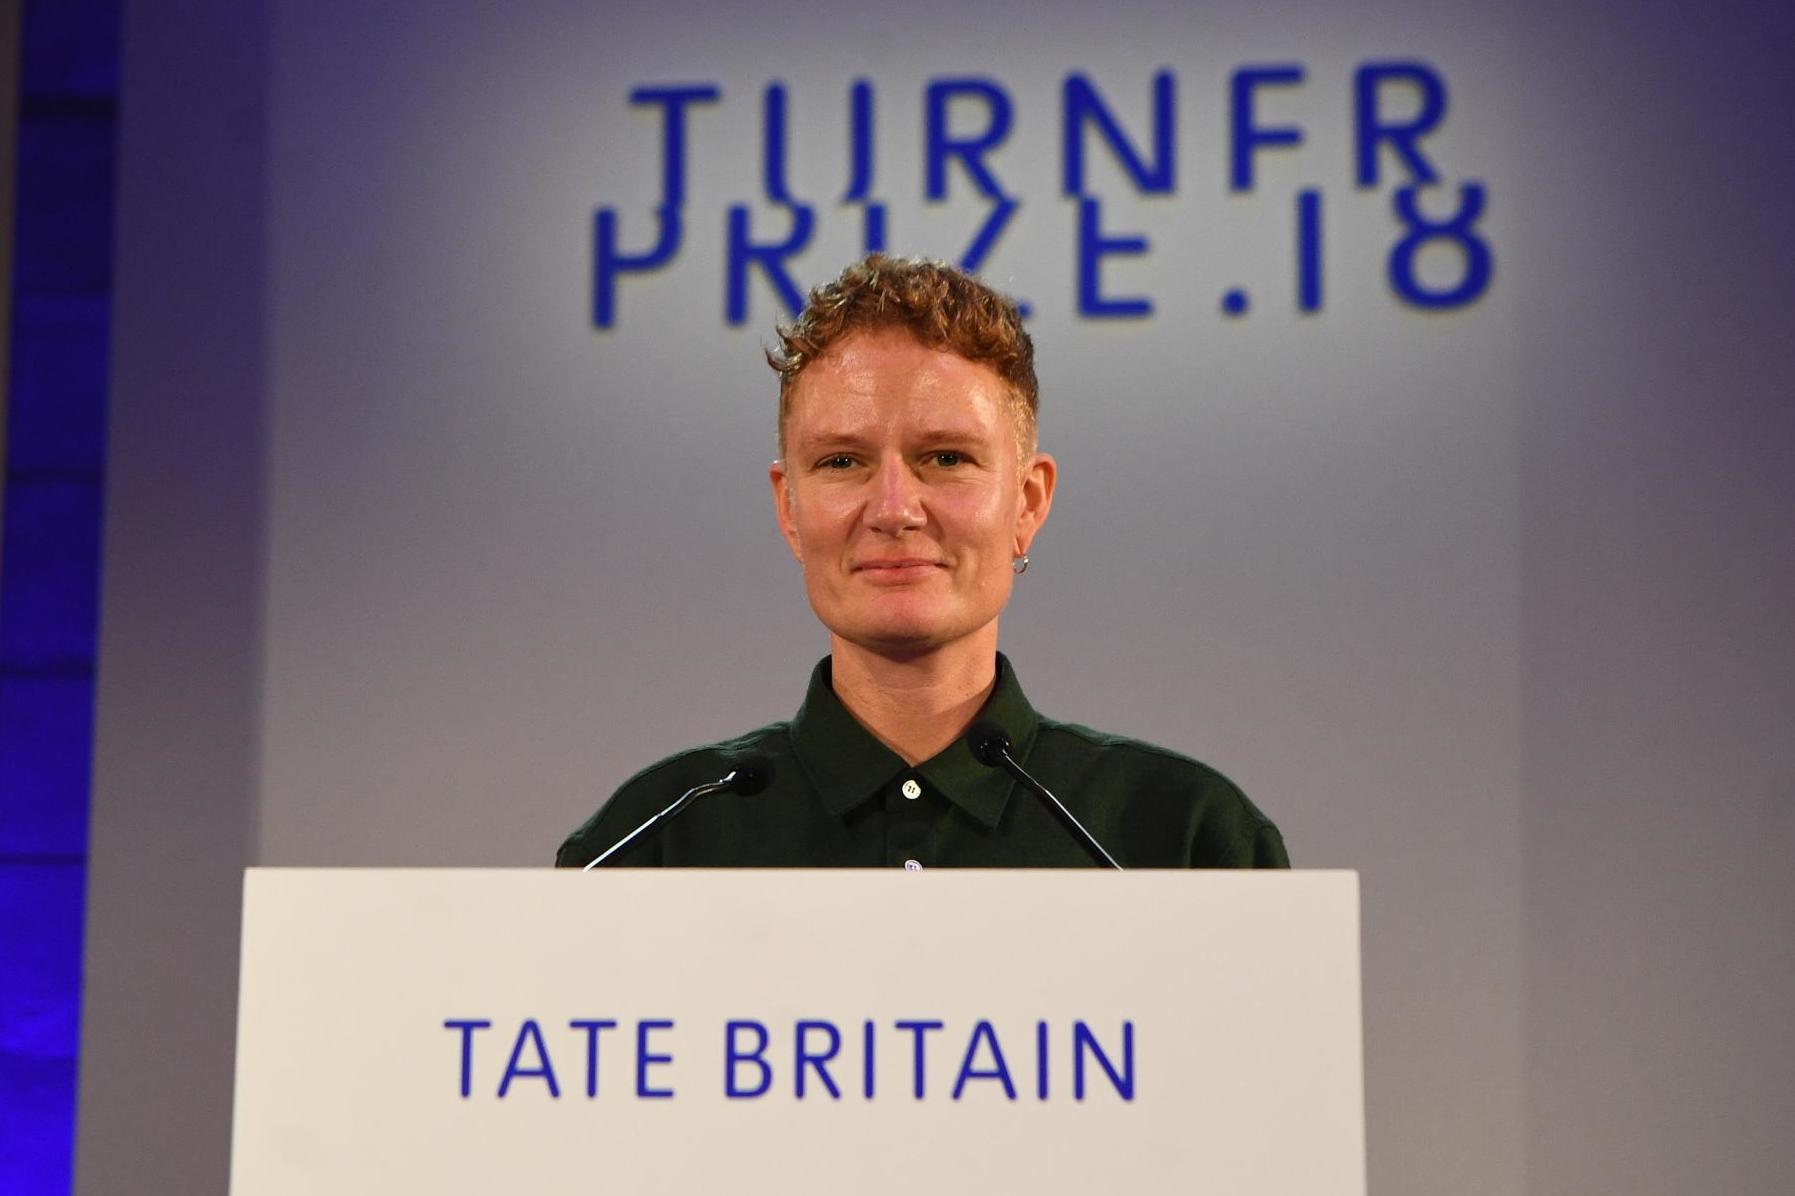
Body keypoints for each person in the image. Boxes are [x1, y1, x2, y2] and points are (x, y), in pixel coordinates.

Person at [556, 255, 1287, 869]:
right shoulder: (652, 845)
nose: (894, 508)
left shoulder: (1183, 841)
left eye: (946, 458)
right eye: (842, 461)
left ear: (1027, 503)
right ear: (788, 508)